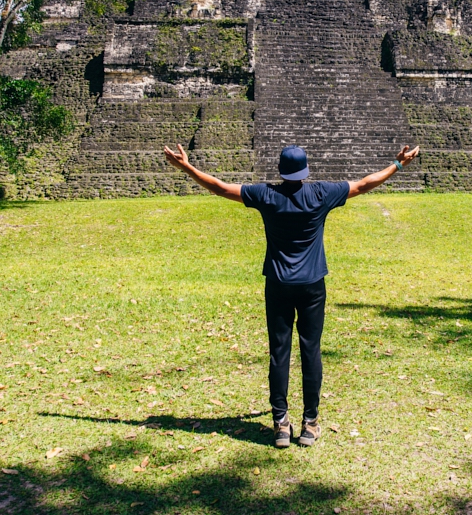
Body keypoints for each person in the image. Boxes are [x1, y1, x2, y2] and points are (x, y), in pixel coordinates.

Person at [163, 143, 421, 448]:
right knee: (311, 351)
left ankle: (281, 424)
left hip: (278, 284)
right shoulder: (321, 194)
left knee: (279, 352)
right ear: (306, 170)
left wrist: (186, 168)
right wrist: (398, 164)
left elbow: (219, 188)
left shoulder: (266, 194)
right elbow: (365, 183)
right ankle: (309, 424)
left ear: (281, 171)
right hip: (312, 285)